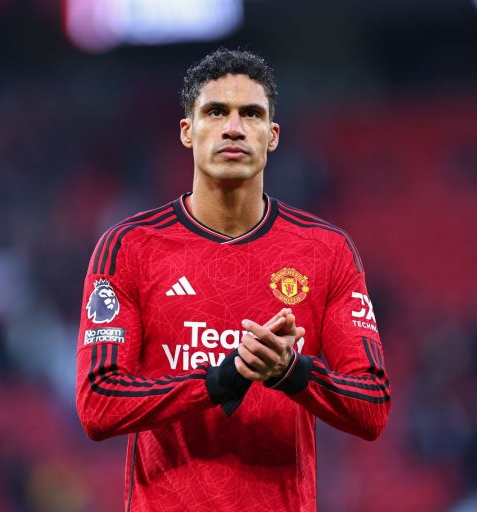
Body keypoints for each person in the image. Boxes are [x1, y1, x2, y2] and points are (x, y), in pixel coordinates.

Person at [75, 48, 391, 512]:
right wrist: (221, 378)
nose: (234, 127)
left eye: (251, 114)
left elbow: (373, 404)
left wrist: (291, 371)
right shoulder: (129, 248)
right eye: (215, 111)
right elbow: (99, 402)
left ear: (273, 135)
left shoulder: (326, 251)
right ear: (188, 131)